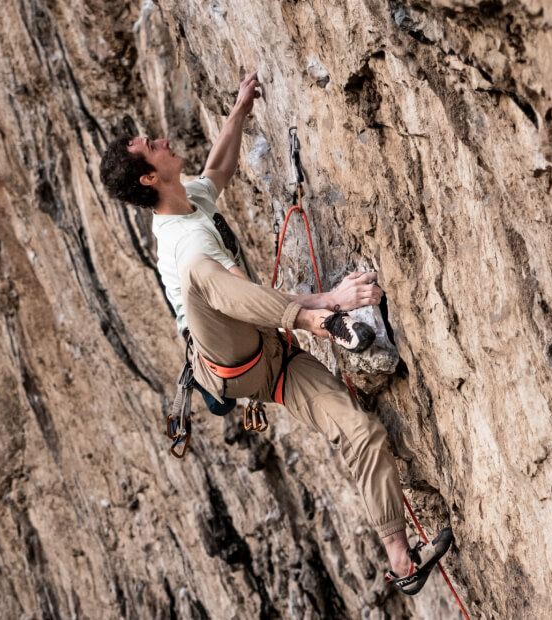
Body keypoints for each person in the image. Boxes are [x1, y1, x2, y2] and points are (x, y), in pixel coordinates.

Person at [97, 72, 453, 595]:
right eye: (153, 147)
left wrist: (239, 110)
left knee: (363, 433)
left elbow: (217, 168)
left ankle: (400, 558)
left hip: (274, 358)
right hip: (225, 355)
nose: (163, 141)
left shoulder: (190, 196)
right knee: (208, 275)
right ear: (149, 177)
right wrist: (326, 305)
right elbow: (233, 297)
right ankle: (324, 324)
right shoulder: (180, 242)